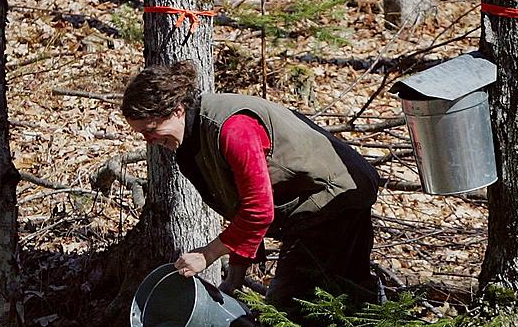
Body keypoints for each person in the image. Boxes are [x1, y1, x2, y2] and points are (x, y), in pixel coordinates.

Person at [121, 61, 382, 308]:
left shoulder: (232, 130)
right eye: (142, 133)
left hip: (335, 196)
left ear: (178, 110)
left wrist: (208, 254)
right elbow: (242, 203)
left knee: (288, 309)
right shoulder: (191, 142)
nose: (149, 140)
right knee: (343, 294)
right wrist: (237, 271)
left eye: (151, 129)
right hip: (324, 197)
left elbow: (258, 211)